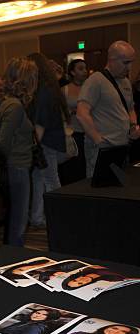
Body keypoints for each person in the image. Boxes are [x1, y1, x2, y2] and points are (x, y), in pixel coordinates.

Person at [77, 41, 140, 177]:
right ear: (112, 60)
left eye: (131, 62)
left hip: (123, 146)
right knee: (99, 190)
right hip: (102, 149)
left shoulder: (126, 82)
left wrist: (134, 125)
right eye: (126, 62)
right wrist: (98, 140)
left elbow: (130, 109)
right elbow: (82, 114)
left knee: (119, 189)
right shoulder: (95, 80)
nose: (129, 67)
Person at [0, 57, 37, 246]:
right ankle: (13, 264)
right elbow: (2, 143)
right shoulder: (15, 106)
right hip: (16, 168)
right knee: (18, 224)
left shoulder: (11, 103)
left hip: (16, 168)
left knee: (16, 222)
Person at [28, 53, 68, 228]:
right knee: (40, 179)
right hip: (50, 142)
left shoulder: (44, 91)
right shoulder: (49, 87)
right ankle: (37, 217)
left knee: (50, 181)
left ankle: (58, 217)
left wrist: (34, 146)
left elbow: (41, 124)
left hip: (46, 143)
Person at [60, 59, 88, 184]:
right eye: (80, 68)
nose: (84, 71)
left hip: (89, 132)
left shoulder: (90, 88)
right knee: (74, 169)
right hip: (73, 133)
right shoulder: (64, 90)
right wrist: (70, 112)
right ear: (72, 72)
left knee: (87, 167)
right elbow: (59, 112)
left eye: (85, 68)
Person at [61, 266, 135, 291]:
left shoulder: (88, 269)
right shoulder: (109, 280)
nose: (81, 280)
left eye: (75, 280)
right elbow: (130, 279)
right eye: (80, 283)